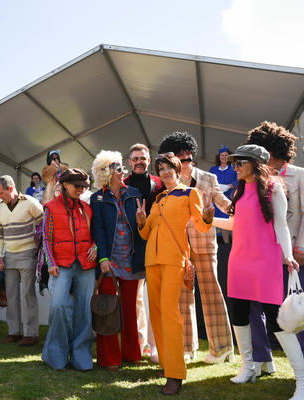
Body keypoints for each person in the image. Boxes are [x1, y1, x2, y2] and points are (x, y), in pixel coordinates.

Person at [213, 144, 304, 399]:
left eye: (240, 162)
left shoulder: (274, 188)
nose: (235, 167)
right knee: (239, 312)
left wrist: (288, 255)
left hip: (265, 262)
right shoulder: (240, 190)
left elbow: (282, 226)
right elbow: (236, 223)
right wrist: (208, 220)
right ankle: (248, 367)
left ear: (255, 164)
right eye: (234, 162)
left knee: (276, 319)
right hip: (239, 261)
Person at [244, 122, 304, 377]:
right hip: (263, 257)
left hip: (294, 258)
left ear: (273, 151)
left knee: (295, 313)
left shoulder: (302, 175)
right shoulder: (256, 180)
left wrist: (301, 251)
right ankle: (262, 360)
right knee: (255, 307)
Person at [136, 153, 214, 395]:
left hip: (174, 260)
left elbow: (201, 225)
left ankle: (176, 373)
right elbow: (146, 233)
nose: (165, 171)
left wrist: (208, 217)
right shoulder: (158, 198)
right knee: (157, 314)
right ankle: (165, 363)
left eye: (169, 167)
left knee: (170, 313)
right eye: (161, 168)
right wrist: (141, 221)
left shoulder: (190, 193)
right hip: (152, 261)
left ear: (178, 169)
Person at [159, 132, 234, 364]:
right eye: (180, 159)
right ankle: (186, 347)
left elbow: (225, 204)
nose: (186, 162)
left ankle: (222, 348)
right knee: (183, 297)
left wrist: (245, 206)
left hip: (204, 245)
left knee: (212, 295)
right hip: (179, 248)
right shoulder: (168, 184)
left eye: (189, 157)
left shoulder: (208, 179)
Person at [90, 151, 145, 369]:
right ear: (107, 172)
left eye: (122, 167)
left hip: (131, 260)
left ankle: (132, 354)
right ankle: (109, 358)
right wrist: (103, 258)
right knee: (107, 309)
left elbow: (141, 227)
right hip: (109, 262)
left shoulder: (134, 193)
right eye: (118, 168)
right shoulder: (97, 198)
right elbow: (98, 231)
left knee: (130, 309)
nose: (123, 171)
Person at [40, 168, 97, 370]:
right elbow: (46, 238)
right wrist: (50, 262)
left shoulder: (87, 209)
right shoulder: (50, 208)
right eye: (77, 186)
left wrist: (95, 247)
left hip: (86, 264)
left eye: (84, 186)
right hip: (60, 265)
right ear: (65, 184)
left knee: (84, 310)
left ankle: (81, 357)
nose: (81, 190)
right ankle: (55, 356)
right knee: (58, 307)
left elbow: (95, 236)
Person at [123, 143, 164, 360]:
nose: (139, 162)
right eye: (135, 159)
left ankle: (155, 345)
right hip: (132, 247)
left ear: (149, 160)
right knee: (136, 298)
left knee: (156, 297)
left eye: (143, 158)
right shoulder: (123, 184)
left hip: (157, 244)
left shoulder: (159, 183)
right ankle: (140, 344)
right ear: (130, 162)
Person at [0, 175, 43, 346]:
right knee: (11, 295)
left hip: (28, 253)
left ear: (11, 189)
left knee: (28, 294)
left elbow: (44, 222)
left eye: (1, 193)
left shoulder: (30, 202)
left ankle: (31, 334)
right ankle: (14, 332)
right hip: (9, 255)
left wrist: (39, 245)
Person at [209, 146, 238, 243]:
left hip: (231, 198)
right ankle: (226, 244)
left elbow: (239, 180)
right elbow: (209, 181)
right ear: (219, 157)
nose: (224, 157)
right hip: (218, 199)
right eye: (222, 155)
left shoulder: (234, 169)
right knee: (222, 220)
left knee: (233, 221)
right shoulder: (213, 170)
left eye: (226, 155)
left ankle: (235, 243)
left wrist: (229, 186)